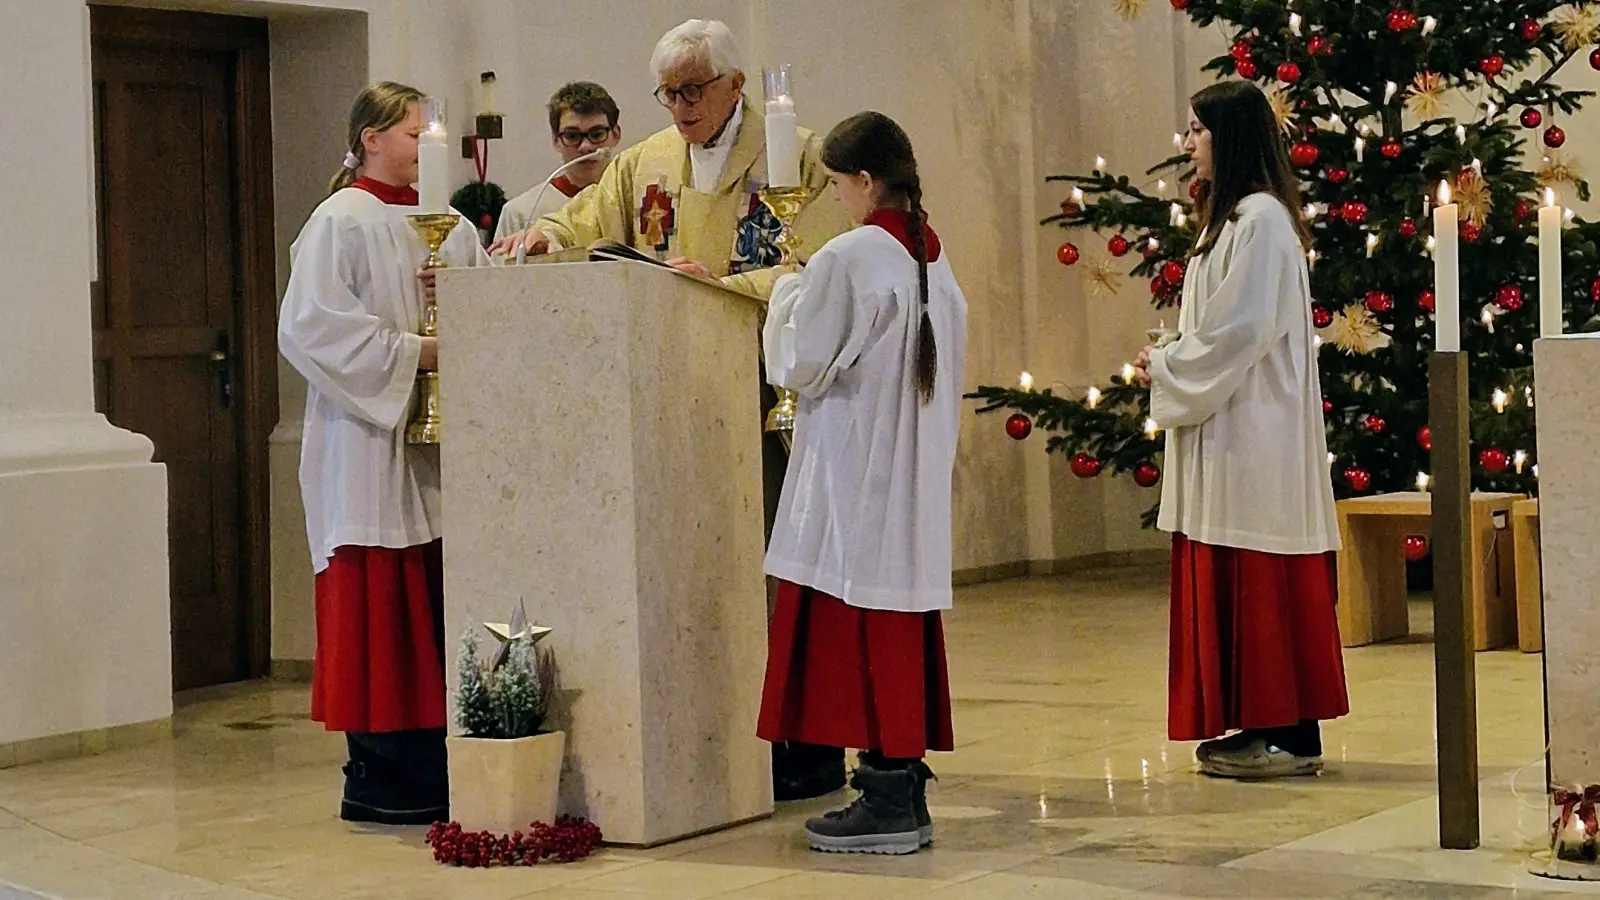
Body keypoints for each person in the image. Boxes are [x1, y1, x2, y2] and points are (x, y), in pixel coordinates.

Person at [492, 18, 853, 802]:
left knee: (781, 568)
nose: (681, 107)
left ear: (735, 84)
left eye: (694, 90)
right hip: (668, 398)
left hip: (766, 393)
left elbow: (819, 271)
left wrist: (719, 289)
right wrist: (543, 240)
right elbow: (584, 225)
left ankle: (805, 739)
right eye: (669, 92)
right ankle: (717, 728)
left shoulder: (800, 159)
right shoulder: (643, 163)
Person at [279, 81, 490, 824]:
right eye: (411, 133)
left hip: (445, 450)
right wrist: (419, 353)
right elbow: (309, 329)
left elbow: (493, 319)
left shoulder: (455, 227)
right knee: (379, 598)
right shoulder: (339, 221)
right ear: (370, 138)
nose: (422, 146)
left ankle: (441, 755)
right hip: (366, 442)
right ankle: (381, 769)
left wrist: (461, 296)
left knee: (438, 593)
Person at [758, 111, 967, 855]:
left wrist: (786, 295)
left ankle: (887, 802)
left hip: (855, 479)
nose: (838, 199)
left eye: (839, 184)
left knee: (858, 633)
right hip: (910, 484)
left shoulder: (850, 258)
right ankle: (895, 787)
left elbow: (798, 364)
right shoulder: (932, 262)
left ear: (867, 181)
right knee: (896, 630)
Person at [1133, 80, 1348, 780]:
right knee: (1235, 562)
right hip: (1229, 422)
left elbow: (1244, 328)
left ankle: (1287, 732)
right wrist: (1172, 360)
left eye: (1198, 129)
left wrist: (1168, 364)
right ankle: (1262, 725)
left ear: (1231, 137)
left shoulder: (1260, 221)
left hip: (1256, 428)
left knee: (1262, 573)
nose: (1188, 141)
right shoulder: (1229, 223)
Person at [493, 81, 622, 242]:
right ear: (556, 141)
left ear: (616, 135)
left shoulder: (632, 203)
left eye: (596, 134)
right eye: (572, 136)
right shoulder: (521, 212)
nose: (586, 146)